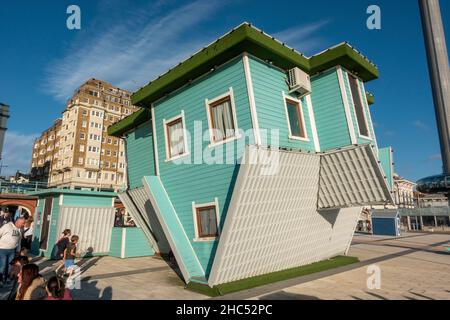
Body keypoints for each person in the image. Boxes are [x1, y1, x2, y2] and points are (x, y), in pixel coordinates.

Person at [0, 217, 25, 286]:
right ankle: (1, 280)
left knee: (10, 266)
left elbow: (19, 241)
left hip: (12, 250)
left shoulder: (20, 230)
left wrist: (18, 250)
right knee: (3, 266)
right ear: (17, 222)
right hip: (2, 249)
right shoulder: (7, 226)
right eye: (22, 223)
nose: (23, 225)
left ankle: (7, 278)